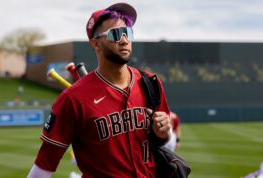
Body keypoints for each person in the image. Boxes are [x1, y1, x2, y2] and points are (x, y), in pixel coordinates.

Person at [27, 3, 172, 178]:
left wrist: (163, 133)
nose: (125, 40)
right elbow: (43, 167)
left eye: (128, 33)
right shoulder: (73, 99)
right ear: (96, 44)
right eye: (116, 34)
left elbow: (162, 140)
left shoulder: (150, 83)